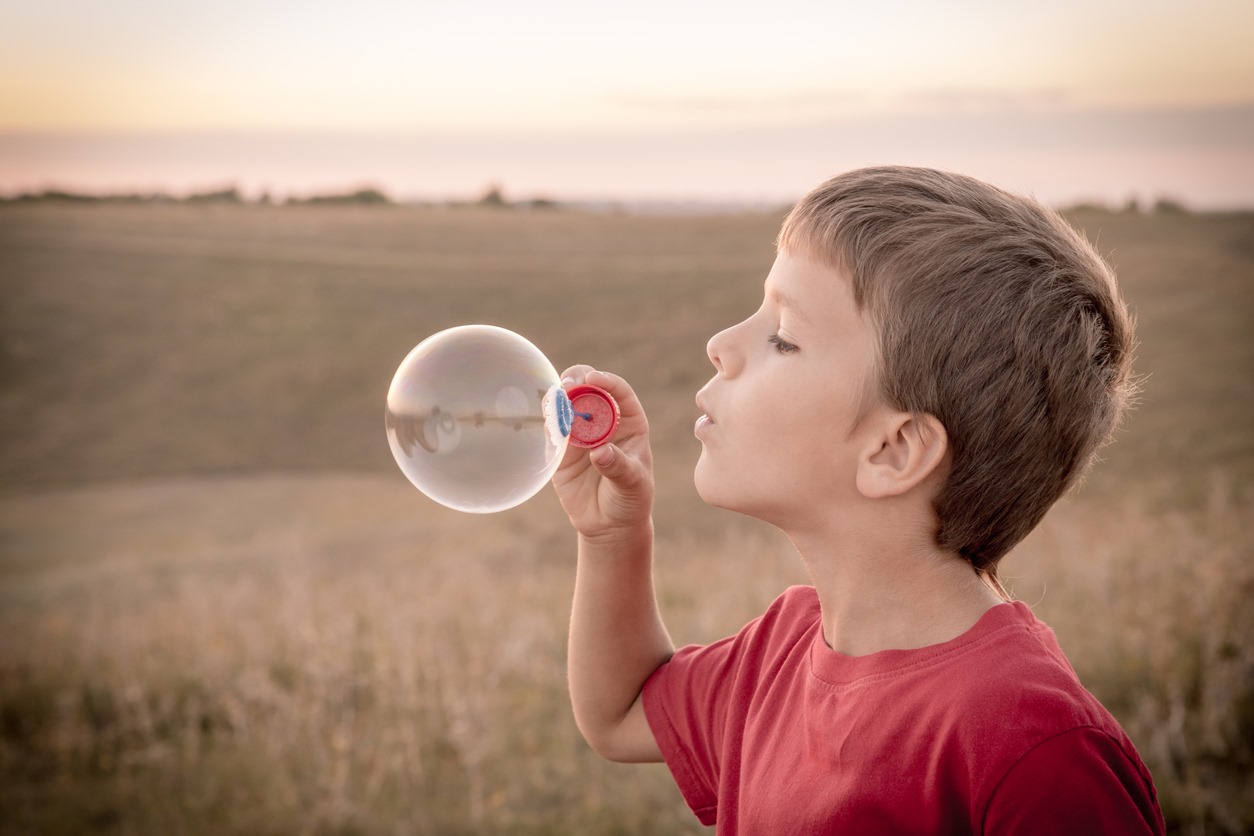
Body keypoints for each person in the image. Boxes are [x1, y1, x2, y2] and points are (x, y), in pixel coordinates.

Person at [550, 166, 1165, 834]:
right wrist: (612, 537)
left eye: (783, 335)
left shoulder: (1035, 750)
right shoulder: (783, 650)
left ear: (893, 451)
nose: (721, 345)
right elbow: (620, 713)